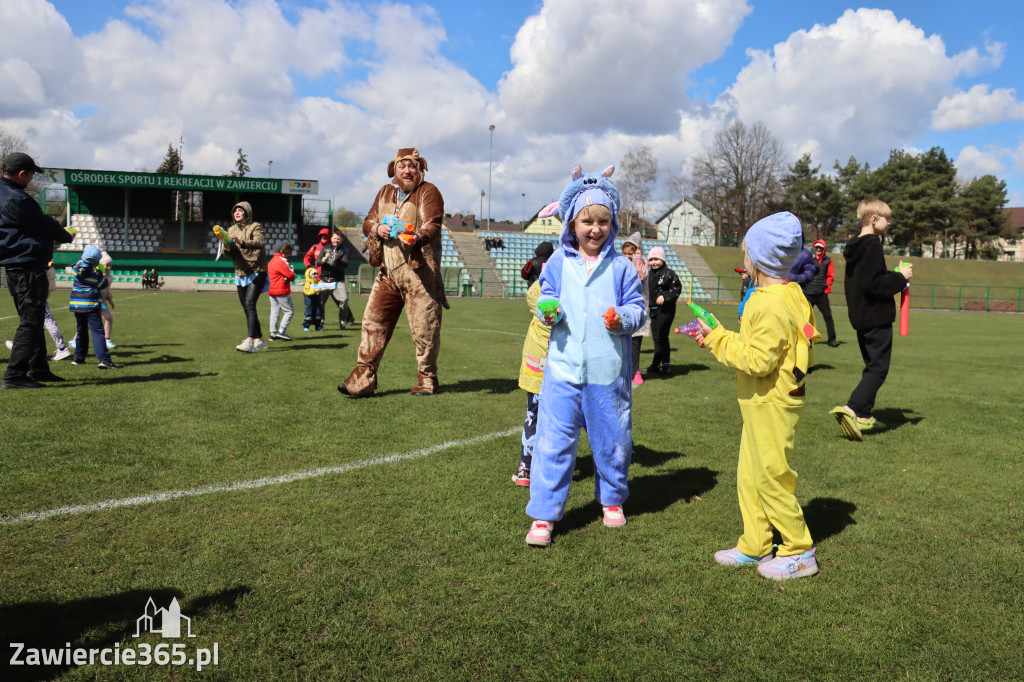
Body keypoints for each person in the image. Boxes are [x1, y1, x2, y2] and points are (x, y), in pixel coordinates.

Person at [694, 211, 820, 581]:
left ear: (758, 258)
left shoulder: (767, 302)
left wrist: (717, 339)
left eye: (746, 249)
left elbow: (757, 360)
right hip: (762, 401)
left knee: (770, 477)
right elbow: (760, 348)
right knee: (749, 476)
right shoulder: (786, 293)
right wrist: (720, 335)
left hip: (772, 402)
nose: (742, 255)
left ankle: (798, 550)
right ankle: (756, 544)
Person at [524, 164, 645, 547]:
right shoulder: (558, 263)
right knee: (553, 443)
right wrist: (550, 310)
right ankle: (544, 514)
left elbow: (638, 309)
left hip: (607, 373)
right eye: (587, 221)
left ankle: (612, 499)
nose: (595, 229)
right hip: (561, 371)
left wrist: (622, 319)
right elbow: (546, 296)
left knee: (612, 439)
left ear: (612, 224)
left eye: (603, 222)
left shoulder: (623, 267)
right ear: (572, 224)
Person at [338, 147, 448, 397]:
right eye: (403, 166)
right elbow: (367, 221)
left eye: (412, 166)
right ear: (394, 169)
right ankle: (362, 380)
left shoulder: (428, 191)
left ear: (419, 169)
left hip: (419, 274)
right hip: (387, 271)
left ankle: (427, 379)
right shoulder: (385, 191)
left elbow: (433, 224)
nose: (407, 171)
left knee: (424, 329)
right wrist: (377, 229)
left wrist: (417, 236)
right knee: (372, 324)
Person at [830, 199, 912, 441]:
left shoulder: (856, 246)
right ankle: (851, 409)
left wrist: (892, 276)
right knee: (878, 369)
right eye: (886, 218)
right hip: (876, 316)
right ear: (874, 219)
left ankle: (864, 416)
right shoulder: (872, 246)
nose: (889, 223)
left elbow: (868, 280)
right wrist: (900, 278)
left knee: (871, 366)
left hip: (861, 317)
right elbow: (874, 285)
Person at [1, 152, 73, 389]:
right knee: (31, 322)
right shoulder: (17, 199)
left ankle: (38, 368)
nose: (31, 179)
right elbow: (44, 224)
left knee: (32, 319)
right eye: (31, 174)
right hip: (28, 266)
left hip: (15, 266)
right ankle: (15, 376)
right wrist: (65, 235)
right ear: (22, 174)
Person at [513, 278, 552, 487]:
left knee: (532, 417)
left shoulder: (536, 293)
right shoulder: (562, 305)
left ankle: (525, 468)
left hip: (536, 372)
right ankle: (551, 467)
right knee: (561, 420)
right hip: (559, 372)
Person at [222, 201, 268, 352]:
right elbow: (229, 254)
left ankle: (249, 341)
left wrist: (241, 242)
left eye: (240, 210)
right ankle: (259, 339)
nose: (237, 213)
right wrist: (227, 248)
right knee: (247, 307)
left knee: (249, 304)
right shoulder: (230, 229)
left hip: (256, 270)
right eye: (235, 210)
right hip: (240, 272)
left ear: (247, 213)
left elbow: (260, 242)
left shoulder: (255, 226)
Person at [69, 245, 116, 369]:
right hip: (91, 305)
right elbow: (103, 284)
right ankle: (104, 359)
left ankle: (78, 358)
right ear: (97, 262)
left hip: (77, 305)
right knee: (97, 331)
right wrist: (99, 271)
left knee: (81, 331)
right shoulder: (96, 274)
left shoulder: (76, 268)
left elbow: (79, 265)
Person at [645, 246, 681, 375]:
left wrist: (665, 296)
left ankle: (666, 364)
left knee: (662, 337)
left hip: (665, 310)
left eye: (656, 259)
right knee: (656, 338)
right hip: (654, 309)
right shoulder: (649, 274)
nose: (653, 262)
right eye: (651, 259)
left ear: (663, 259)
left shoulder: (669, 274)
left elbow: (676, 288)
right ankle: (656, 364)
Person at [620, 232, 650, 385]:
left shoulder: (642, 263)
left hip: (637, 310)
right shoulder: (621, 265)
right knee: (622, 344)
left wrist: (637, 258)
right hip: (623, 310)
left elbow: (640, 276)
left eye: (630, 253)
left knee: (635, 345)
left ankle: (635, 372)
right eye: (624, 253)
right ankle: (625, 371)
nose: (627, 256)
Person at [802, 239, 839, 347]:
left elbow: (830, 276)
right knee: (806, 318)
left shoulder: (828, 260)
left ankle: (832, 340)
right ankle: (807, 339)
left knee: (828, 316)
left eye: (820, 248)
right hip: (809, 293)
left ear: (824, 249)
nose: (818, 249)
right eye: (817, 247)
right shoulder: (809, 259)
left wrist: (827, 289)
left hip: (822, 293)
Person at [316, 230, 354, 330]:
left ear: (341, 240)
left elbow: (345, 264)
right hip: (324, 280)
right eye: (334, 238)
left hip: (337, 281)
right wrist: (322, 260)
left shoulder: (345, 250)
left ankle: (342, 321)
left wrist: (338, 259)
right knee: (320, 302)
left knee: (344, 299)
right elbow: (317, 262)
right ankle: (320, 322)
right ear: (331, 238)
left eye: (338, 239)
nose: (336, 240)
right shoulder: (325, 248)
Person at [267, 241, 296, 341]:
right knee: (289, 311)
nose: (289, 253)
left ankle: (273, 334)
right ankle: (281, 331)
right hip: (281, 290)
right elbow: (291, 277)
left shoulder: (272, 260)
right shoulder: (281, 261)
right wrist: (292, 272)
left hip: (272, 290)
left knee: (274, 312)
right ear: (282, 250)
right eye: (288, 251)